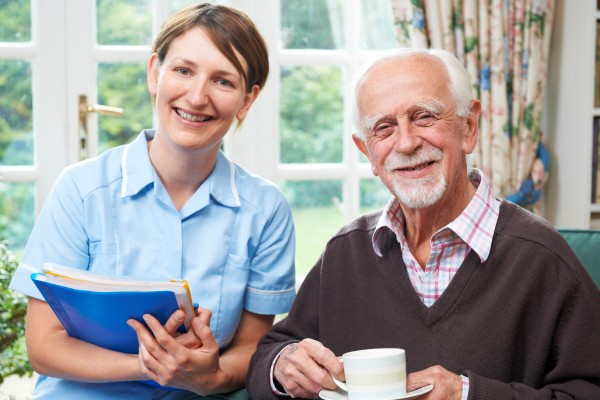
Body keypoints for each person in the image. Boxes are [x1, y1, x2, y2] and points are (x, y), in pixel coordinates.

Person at [246, 48, 600, 399]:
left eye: (425, 117)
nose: (407, 142)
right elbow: (270, 355)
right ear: (366, 150)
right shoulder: (345, 252)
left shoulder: (543, 256)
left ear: (469, 126)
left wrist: (467, 395)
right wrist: (282, 365)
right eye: (383, 128)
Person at [9, 3, 296, 399]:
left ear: (248, 100)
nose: (197, 97)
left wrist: (207, 377)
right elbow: (44, 346)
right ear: (153, 74)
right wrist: (157, 366)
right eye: (183, 70)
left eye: (223, 82)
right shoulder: (81, 189)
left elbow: (250, 348)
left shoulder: (266, 210)